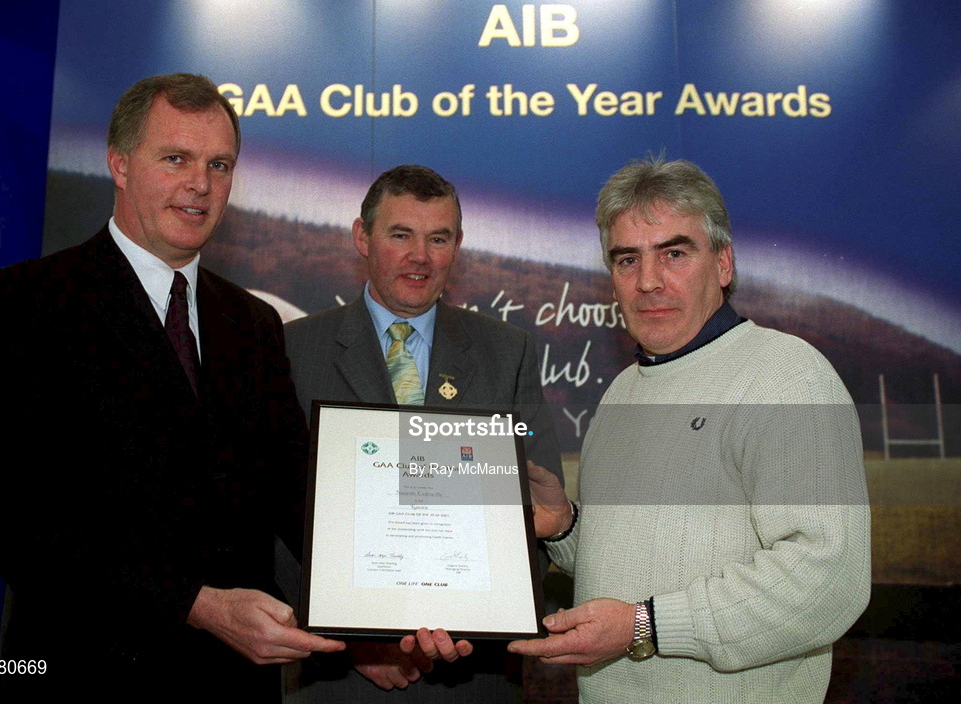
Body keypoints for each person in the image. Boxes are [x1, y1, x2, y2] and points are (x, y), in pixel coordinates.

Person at [0, 73, 344, 703]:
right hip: (77, 678)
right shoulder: (26, 304)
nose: (201, 183)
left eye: (220, 164)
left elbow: (295, 492)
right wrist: (196, 605)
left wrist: (369, 618)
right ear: (119, 163)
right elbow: (12, 519)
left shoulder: (253, 322)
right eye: (176, 159)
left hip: (231, 686)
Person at [508, 157, 871, 703]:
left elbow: (826, 579)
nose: (648, 281)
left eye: (673, 253)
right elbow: (638, 563)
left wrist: (644, 626)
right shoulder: (623, 392)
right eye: (627, 260)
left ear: (723, 263)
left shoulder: (787, 375)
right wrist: (564, 530)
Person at [283, 164, 563, 702]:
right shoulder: (293, 350)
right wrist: (344, 637)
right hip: (337, 677)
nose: (420, 257)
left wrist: (481, 615)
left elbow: (538, 501)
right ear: (362, 237)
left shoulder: (507, 352)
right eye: (401, 235)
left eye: (438, 238)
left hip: (473, 673)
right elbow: (272, 517)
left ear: (457, 246)